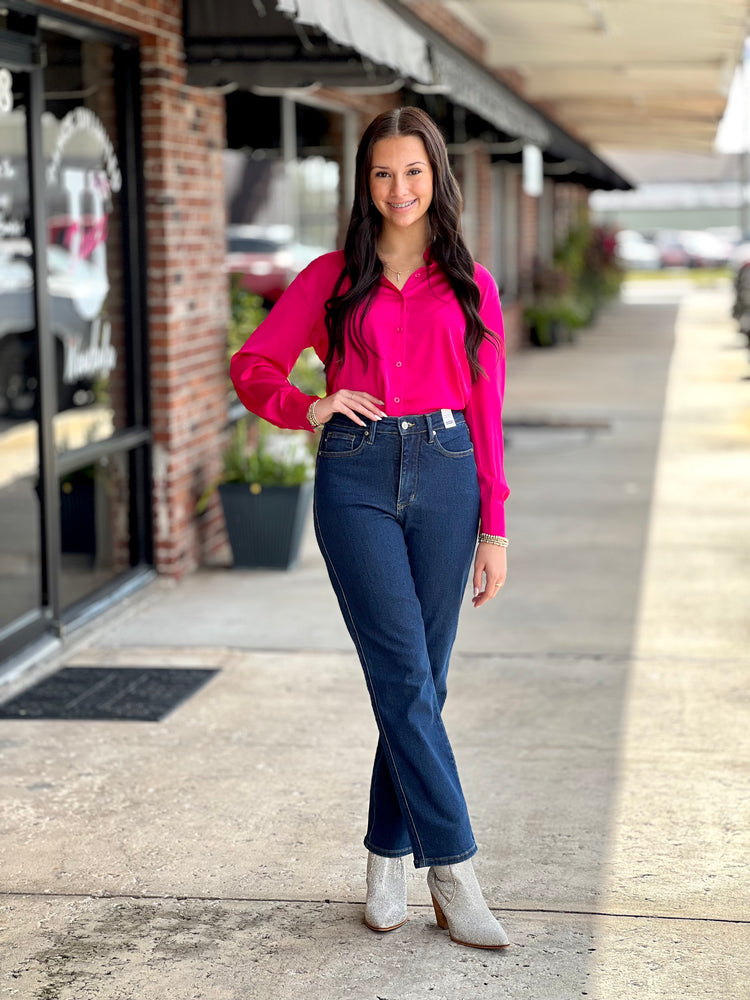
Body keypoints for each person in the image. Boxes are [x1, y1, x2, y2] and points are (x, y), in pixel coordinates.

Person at [230, 107, 510, 950]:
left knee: (423, 681)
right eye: (383, 173)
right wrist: (309, 404)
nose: (399, 189)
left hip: (451, 473)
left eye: (414, 172)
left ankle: (388, 853)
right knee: (400, 673)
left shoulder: (471, 285)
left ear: (438, 179)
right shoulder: (328, 278)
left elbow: (490, 412)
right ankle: (455, 872)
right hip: (355, 475)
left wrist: (494, 527)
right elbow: (254, 366)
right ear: (365, 183)